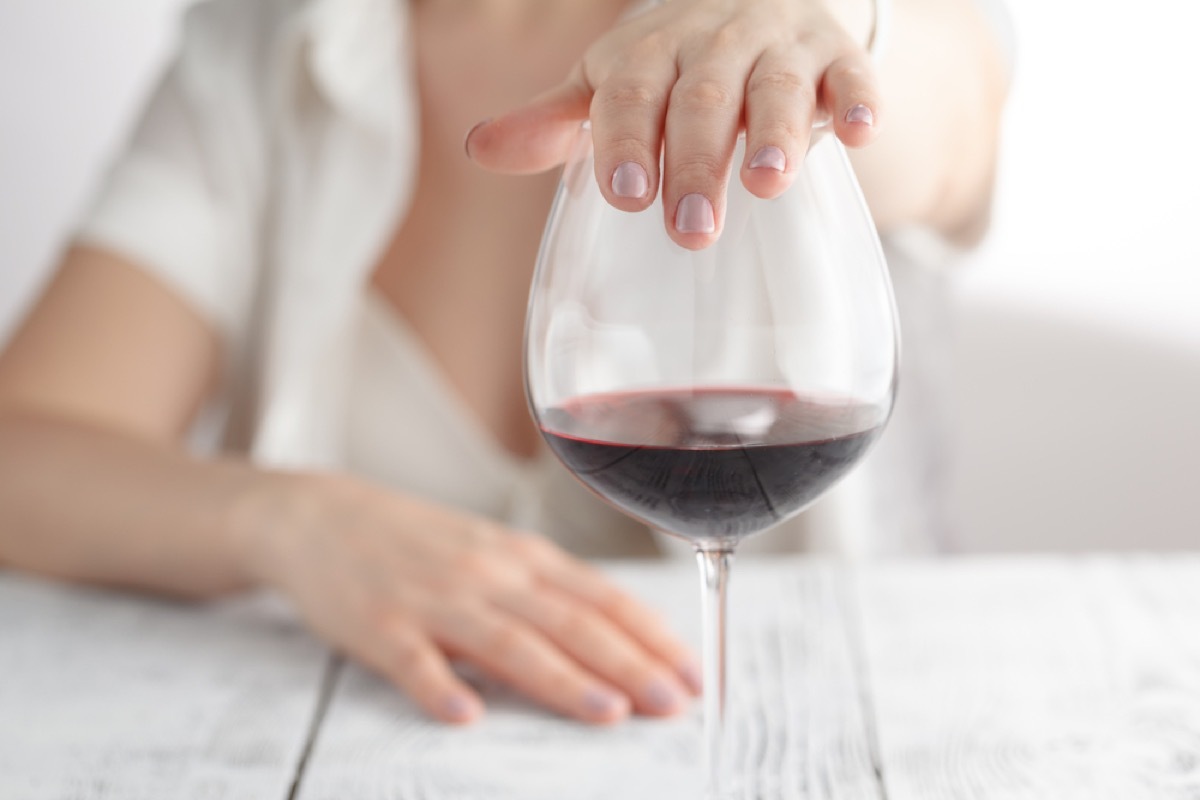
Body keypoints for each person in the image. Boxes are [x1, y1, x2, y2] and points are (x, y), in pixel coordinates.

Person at [0, 0, 1009, 726]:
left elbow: (949, 115)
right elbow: (21, 453)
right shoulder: (269, 47)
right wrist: (288, 518)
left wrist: (830, 29)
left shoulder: (827, 23)